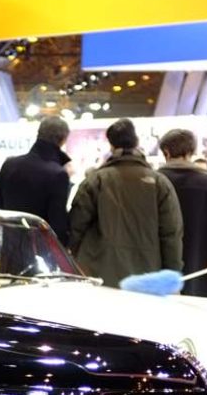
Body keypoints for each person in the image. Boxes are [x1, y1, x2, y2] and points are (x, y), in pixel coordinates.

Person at [68, 118, 183, 287]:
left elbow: (76, 227)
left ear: (111, 145)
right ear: (136, 142)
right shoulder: (159, 182)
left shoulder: (96, 180)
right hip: (147, 275)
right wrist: (173, 274)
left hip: (98, 271)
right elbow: (171, 233)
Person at [157, 128, 207, 298]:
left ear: (166, 152)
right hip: (203, 271)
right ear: (191, 151)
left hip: (161, 272)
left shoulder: (155, 181)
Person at [0, 117, 72, 245]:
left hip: (10, 243)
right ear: (63, 140)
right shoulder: (58, 173)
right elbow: (57, 221)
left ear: (38, 134)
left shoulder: (9, 164)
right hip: (40, 246)